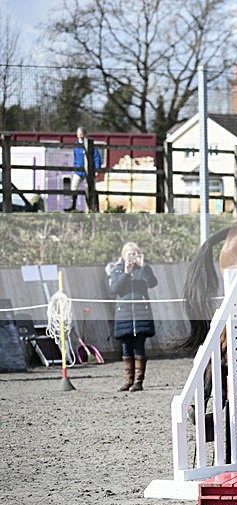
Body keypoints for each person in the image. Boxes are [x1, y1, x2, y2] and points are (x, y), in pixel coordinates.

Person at [108, 242, 158, 392]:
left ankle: (138, 381)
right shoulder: (117, 270)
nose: (132, 257)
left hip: (141, 313)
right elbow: (114, 289)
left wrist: (143, 268)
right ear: (123, 256)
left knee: (139, 347)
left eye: (135, 253)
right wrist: (126, 272)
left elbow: (152, 283)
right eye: (129, 254)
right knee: (126, 347)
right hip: (124, 313)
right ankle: (128, 380)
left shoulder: (144, 269)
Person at [66, 126, 102, 211]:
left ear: (85, 134)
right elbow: (75, 158)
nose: (79, 136)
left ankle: (92, 207)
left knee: (89, 189)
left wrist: (97, 169)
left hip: (89, 171)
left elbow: (97, 157)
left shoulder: (90, 145)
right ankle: (73, 206)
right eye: (78, 134)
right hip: (78, 170)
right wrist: (75, 167)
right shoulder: (76, 146)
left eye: (81, 134)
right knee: (73, 187)